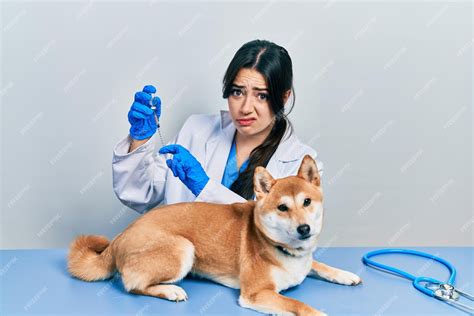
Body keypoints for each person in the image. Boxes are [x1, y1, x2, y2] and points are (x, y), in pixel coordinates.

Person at [112, 39, 323, 214]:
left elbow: (282, 234)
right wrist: (139, 139)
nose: (245, 108)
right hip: (179, 258)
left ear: (284, 97)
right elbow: (141, 194)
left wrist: (204, 187)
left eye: (261, 95)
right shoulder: (196, 130)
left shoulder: (299, 163)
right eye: (237, 92)